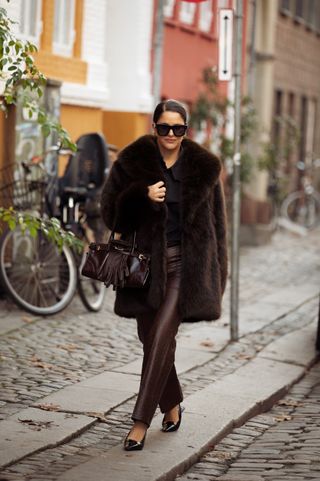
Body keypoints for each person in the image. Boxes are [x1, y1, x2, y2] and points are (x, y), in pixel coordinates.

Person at [100, 99, 228, 451]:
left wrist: (220, 276)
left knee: (159, 336)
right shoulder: (132, 162)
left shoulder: (203, 168)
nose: (171, 134)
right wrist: (141, 195)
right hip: (143, 269)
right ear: (153, 128)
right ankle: (171, 403)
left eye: (178, 128)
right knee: (151, 338)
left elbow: (218, 226)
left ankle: (139, 422)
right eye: (164, 127)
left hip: (183, 270)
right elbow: (111, 215)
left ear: (187, 131)